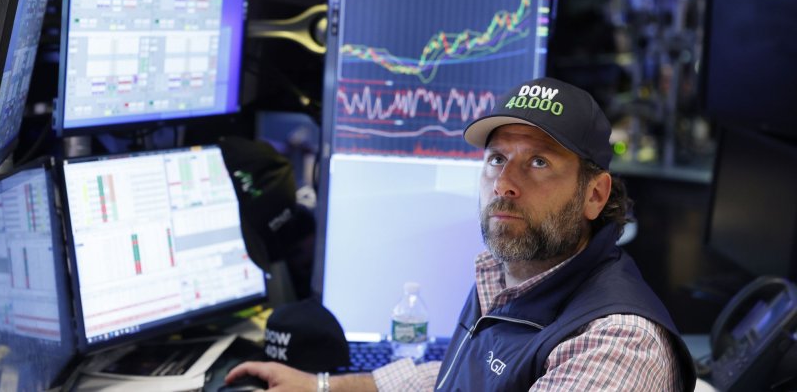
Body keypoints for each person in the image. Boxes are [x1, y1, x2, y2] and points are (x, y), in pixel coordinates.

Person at [226, 77, 698, 391]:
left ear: (595, 195)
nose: (506, 183)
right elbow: (461, 376)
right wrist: (321, 387)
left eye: (538, 162)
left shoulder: (615, 343)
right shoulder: (511, 273)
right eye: (497, 158)